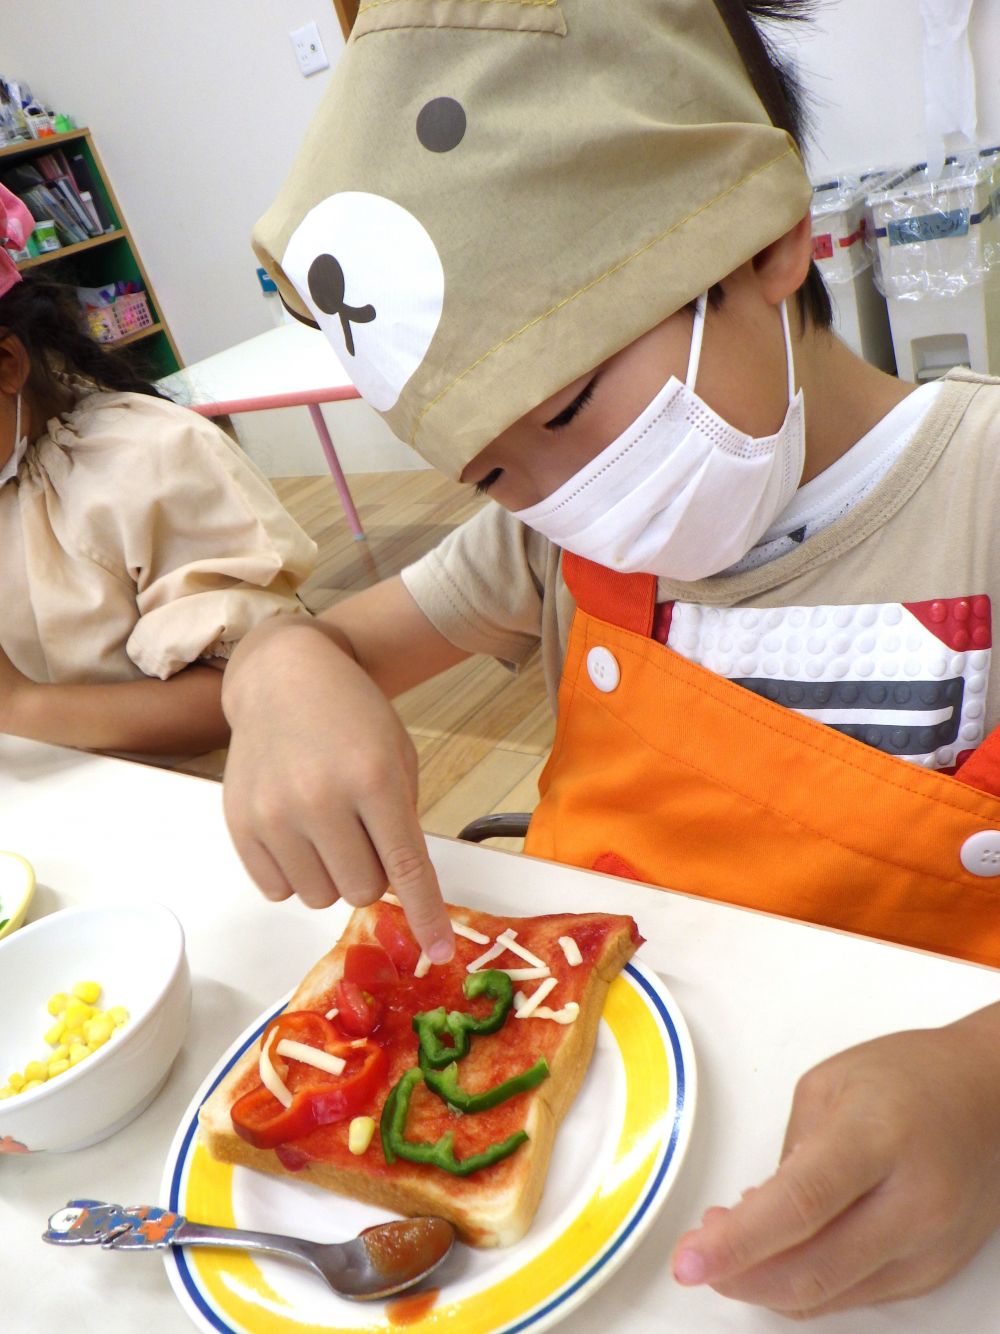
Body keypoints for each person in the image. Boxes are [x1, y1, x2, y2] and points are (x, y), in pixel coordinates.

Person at [220, 0, 1000, 1317]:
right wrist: (276, 673)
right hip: (593, 1149)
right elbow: (311, 645)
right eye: (492, 467)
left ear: (765, 239)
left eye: (573, 404)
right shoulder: (545, 544)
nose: (566, 497)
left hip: (887, 1200)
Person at [0, 184, 316, 775]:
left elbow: (247, 695)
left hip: (195, 811)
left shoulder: (152, 459)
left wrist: (20, 706)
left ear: (9, 364)